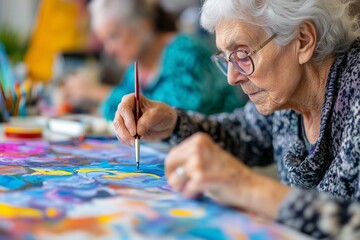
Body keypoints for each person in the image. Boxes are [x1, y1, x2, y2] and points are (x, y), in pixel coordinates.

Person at [113, 0, 360, 238]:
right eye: (227, 58)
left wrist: (247, 186)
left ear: (303, 40)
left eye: (242, 54)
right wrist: (172, 122)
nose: (232, 78)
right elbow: (242, 133)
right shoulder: (287, 96)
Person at [64, 0, 244, 120]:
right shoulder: (136, 66)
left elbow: (175, 112)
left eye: (114, 36)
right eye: (104, 41)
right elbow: (118, 113)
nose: (109, 49)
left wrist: (96, 92)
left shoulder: (185, 52)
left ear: (144, 25)